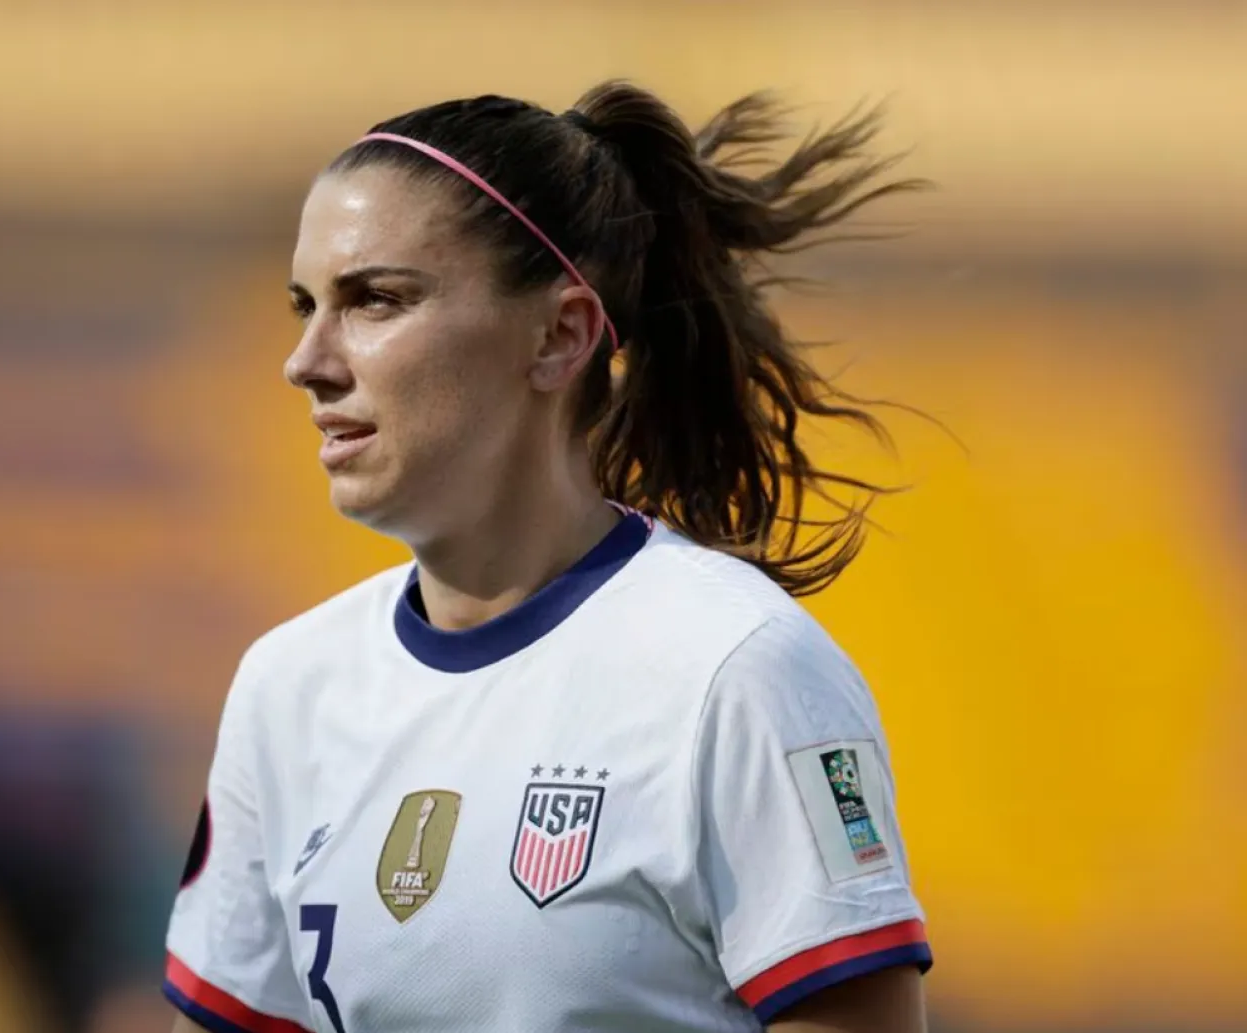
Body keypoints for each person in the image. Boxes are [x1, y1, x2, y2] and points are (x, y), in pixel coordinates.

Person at [162, 79, 932, 1033]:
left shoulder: (737, 669)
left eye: (374, 300)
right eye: (304, 305)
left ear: (560, 334)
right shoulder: (287, 688)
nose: (308, 359)